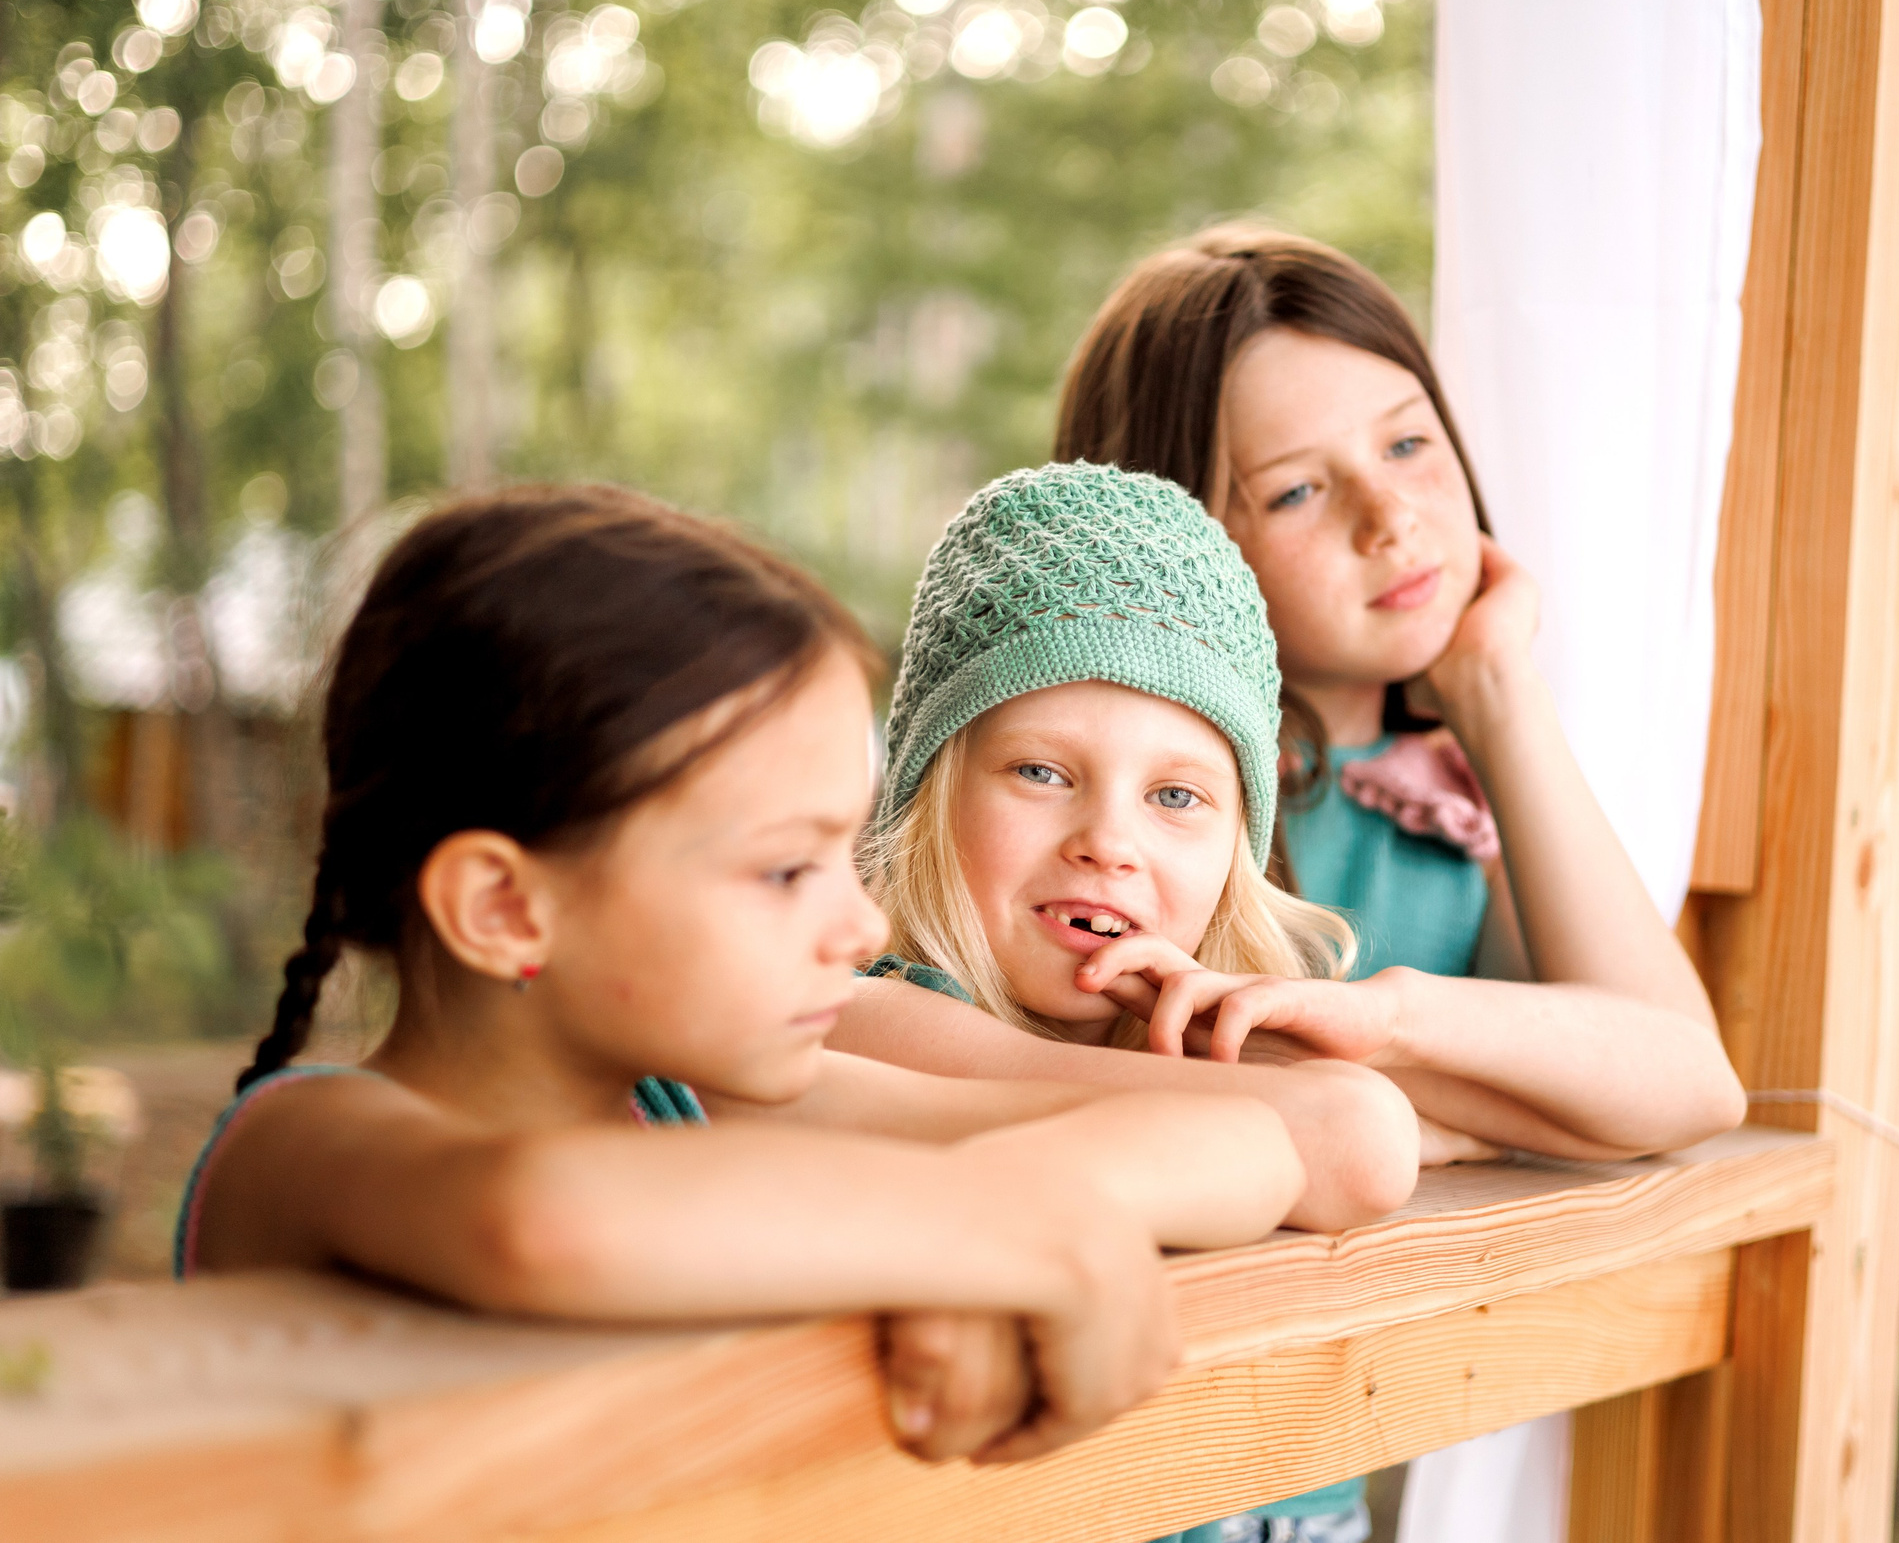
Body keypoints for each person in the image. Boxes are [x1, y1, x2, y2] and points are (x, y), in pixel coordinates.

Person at [177, 485, 1313, 1467]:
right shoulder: (297, 1153)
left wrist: (1027, 1219)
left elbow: (1252, 1146)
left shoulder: (697, 1109)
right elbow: (542, 1218)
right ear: (506, 909)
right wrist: (1010, 1230)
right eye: (784, 869)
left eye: (842, 851)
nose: (860, 922)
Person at [1050, 227, 1751, 1542]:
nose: (1393, 516)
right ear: (1185, 536)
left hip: (1310, 1503)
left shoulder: (1438, 797)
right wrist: (1517, 1100)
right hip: (1126, 1493)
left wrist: (1496, 693)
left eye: (1409, 442)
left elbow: (1686, 1079)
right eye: (1300, 491)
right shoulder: (1140, 811)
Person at [828, 461, 1429, 1238]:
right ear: (928, 793)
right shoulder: (859, 1012)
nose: (1107, 844)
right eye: (1041, 772)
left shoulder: (1172, 1056)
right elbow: (1358, 1138)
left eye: (1175, 796)